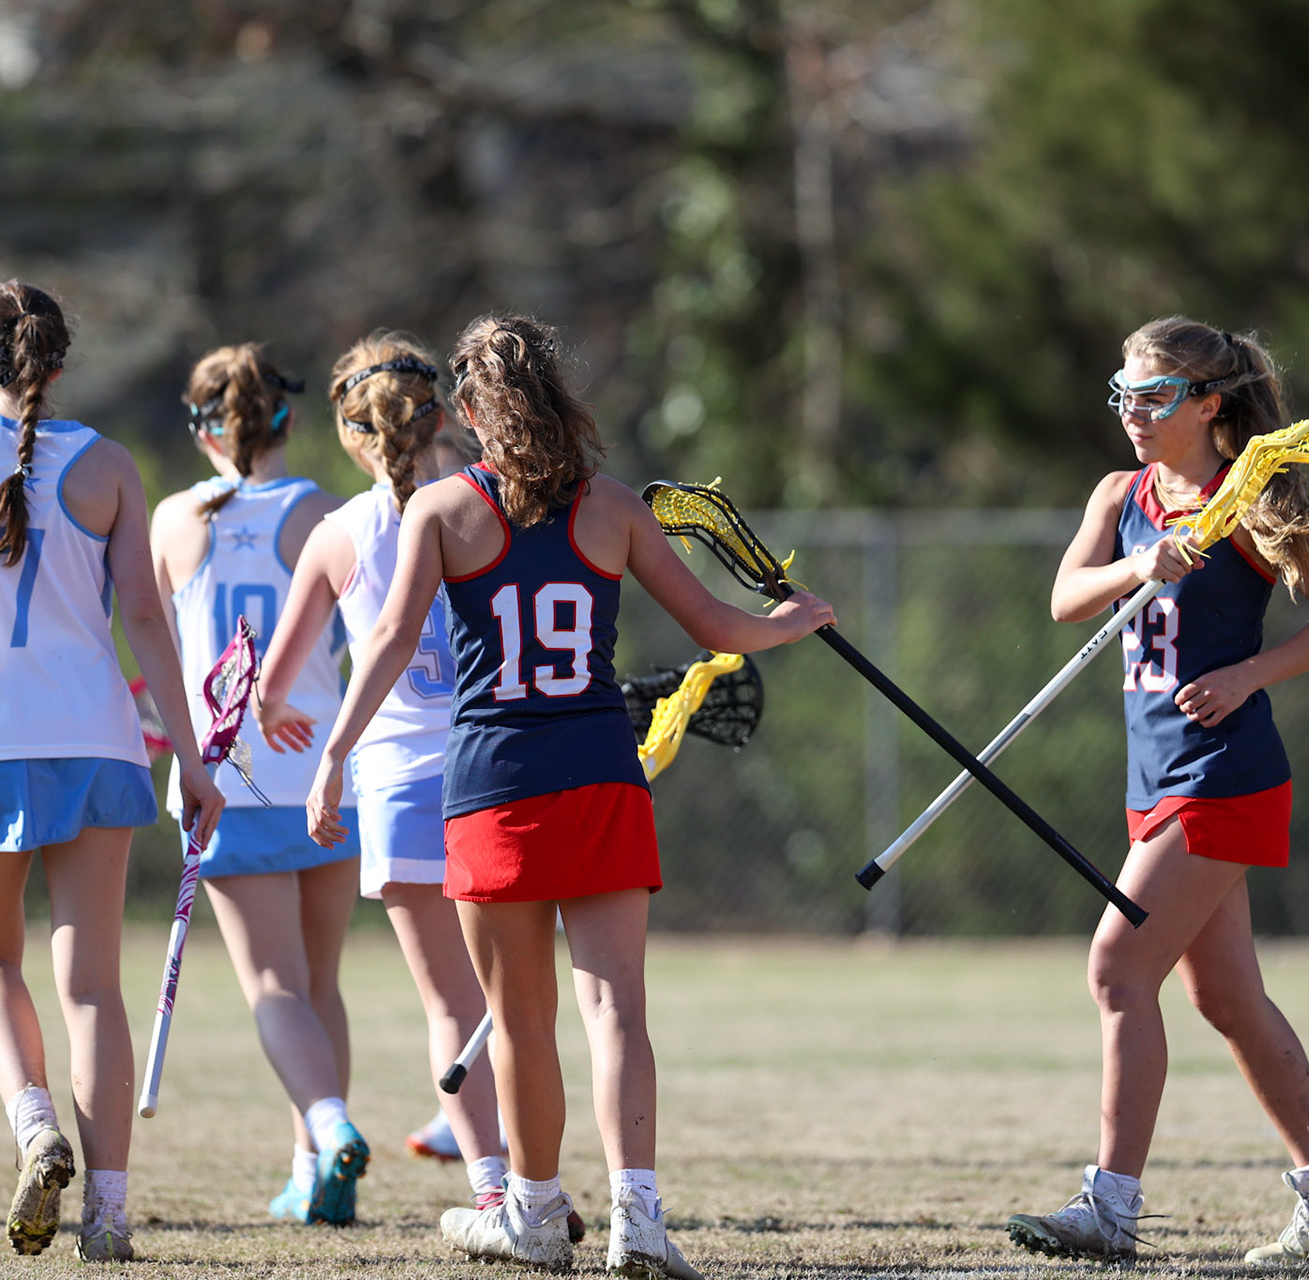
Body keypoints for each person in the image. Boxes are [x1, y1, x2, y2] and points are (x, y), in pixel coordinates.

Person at [306, 314, 834, 1277]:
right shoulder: (611, 507)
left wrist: (335, 753)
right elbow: (716, 623)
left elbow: (383, 645)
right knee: (617, 1010)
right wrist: (792, 622)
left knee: (519, 1022)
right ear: (557, 398)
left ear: (467, 411)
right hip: (599, 776)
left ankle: (537, 1214)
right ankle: (639, 1215)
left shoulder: (441, 513)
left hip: (494, 790)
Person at [1005, 317, 1309, 1266]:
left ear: (1209, 404)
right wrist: (1141, 561)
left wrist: (1253, 675)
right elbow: (1064, 597)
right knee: (1225, 997)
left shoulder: (1249, 499)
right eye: (1123, 393)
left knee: (1115, 968)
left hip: (1224, 771)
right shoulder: (1120, 493)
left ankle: (1110, 1206)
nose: (1133, 412)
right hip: (1152, 771)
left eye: (1155, 395)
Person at [0, 280, 225, 1262]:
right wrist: (195, 755)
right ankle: (109, 1215)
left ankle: (35, 1123)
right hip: (96, 738)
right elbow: (146, 619)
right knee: (92, 989)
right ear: (60, 365)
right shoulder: (111, 465)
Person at [254, 332, 517, 1228]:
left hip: (402, 781)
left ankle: (492, 1185)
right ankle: (532, 1184)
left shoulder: (339, 535)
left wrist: (283, 717)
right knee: (514, 999)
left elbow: (276, 683)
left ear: (349, 433)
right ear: (440, 416)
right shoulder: (488, 508)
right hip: (500, 769)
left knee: (451, 1003)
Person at [148, 343, 368, 1226]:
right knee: (321, 982)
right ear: (288, 418)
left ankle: (327, 1128)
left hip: (227, 778)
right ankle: (314, 1168)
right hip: (325, 772)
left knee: (274, 986)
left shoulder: (172, 519)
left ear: (201, 427)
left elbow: (157, 645)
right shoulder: (325, 511)